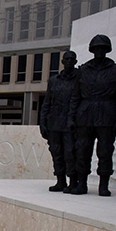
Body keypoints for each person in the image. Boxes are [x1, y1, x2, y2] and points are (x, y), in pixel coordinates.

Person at [68, 35, 116, 196]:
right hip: (85, 113)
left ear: (107, 50)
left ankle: (103, 185)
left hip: (107, 113)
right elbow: (75, 96)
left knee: (105, 151)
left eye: (102, 48)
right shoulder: (83, 70)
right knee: (82, 150)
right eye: (96, 48)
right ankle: (82, 183)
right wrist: (71, 117)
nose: (99, 51)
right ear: (92, 50)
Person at [39, 51, 78, 193]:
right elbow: (47, 103)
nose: (69, 61)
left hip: (70, 123)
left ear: (75, 61)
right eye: (66, 59)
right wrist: (42, 122)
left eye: (72, 59)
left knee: (70, 153)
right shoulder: (54, 80)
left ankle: (73, 181)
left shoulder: (79, 79)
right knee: (57, 152)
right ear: (62, 61)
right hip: (54, 122)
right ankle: (60, 181)